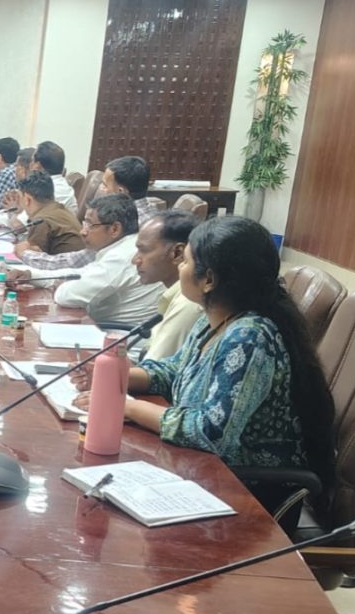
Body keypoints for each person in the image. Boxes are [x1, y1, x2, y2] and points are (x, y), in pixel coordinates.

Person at [80, 216, 335, 508]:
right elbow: (175, 371)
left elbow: (211, 432)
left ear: (209, 280)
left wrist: (128, 407)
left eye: (186, 261)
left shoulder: (249, 337)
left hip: (250, 493)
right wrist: (117, 374)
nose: (179, 267)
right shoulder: (213, 320)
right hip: (205, 473)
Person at [10, 193, 161, 327]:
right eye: (84, 223)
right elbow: (80, 274)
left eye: (90, 225)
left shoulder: (121, 256)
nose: (83, 232)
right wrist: (31, 275)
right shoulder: (120, 247)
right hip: (102, 328)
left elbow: (67, 297)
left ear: (114, 229)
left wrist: (61, 285)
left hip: (119, 339)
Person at [19, 155, 163, 271]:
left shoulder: (122, 222)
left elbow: (80, 262)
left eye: (104, 185)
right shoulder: (155, 217)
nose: (100, 189)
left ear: (120, 192)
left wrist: (26, 254)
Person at [133, 210, 203, 360]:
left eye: (143, 250)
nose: (135, 260)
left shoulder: (188, 303)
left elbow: (152, 369)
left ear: (178, 253)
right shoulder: (176, 293)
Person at [10, 171, 84, 258]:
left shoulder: (41, 221)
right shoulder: (60, 210)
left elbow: (31, 258)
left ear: (27, 199)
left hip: (65, 266)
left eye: (19, 197)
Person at [32, 141, 78, 212]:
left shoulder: (49, 190)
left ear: (37, 166)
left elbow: (22, 219)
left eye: (32, 161)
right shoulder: (59, 185)